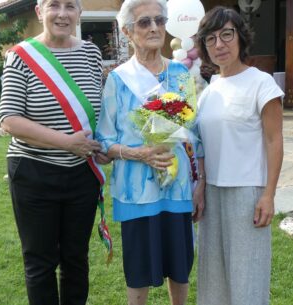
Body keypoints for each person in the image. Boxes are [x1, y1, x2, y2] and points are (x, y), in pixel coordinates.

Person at [0, 0, 110, 304]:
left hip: (81, 174)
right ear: (39, 12)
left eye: (70, 5)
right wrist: (67, 143)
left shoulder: (91, 52)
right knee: (40, 263)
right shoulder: (20, 56)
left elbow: (95, 108)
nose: (62, 13)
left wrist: (100, 144)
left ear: (79, 13)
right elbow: (10, 119)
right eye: (53, 5)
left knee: (76, 260)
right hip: (34, 171)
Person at [95, 0, 204, 304]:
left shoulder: (181, 74)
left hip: (179, 186)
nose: (154, 27)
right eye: (144, 22)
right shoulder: (118, 80)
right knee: (139, 269)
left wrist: (200, 183)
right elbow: (103, 140)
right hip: (136, 191)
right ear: (128, 31)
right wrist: (138, 153)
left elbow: (194, 133)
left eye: (159, 19)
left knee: (180, 266)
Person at [194, 6, 284, 305]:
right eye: (210, 39)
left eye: (226, 35)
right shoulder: (210, 88)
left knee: (247, 281)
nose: (219, 45)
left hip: (247, 194)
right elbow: (204, 144)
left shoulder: (261, 83)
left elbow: (274, 140)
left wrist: (268, 194)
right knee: (213, 280)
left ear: (240, 37)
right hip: (213, 195)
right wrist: (201, 184)